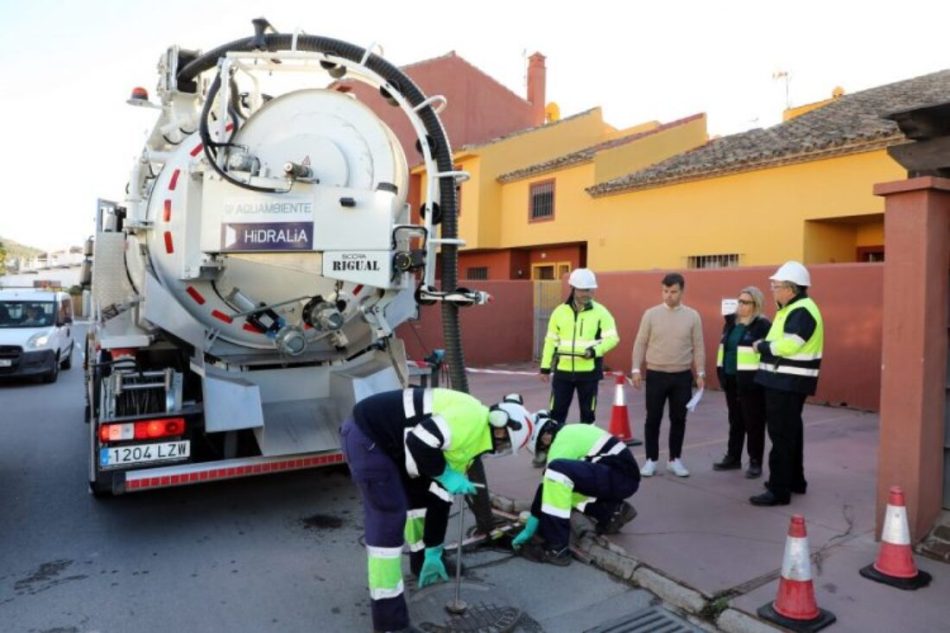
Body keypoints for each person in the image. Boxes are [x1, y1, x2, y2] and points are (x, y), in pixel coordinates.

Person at [340, 388, 531, 633]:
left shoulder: (475, 443)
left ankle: (422, 562)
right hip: (369, 439)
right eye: (504, 444)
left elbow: (441, 497)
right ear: (500, 426)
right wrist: (445, 473)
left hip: (396, 447)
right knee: (388, 520)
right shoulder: (470, 419)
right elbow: (419, 441)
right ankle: (389, 622)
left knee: (420, 501)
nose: (499, 450)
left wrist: (434, 550)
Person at [512, 412, 640, 565]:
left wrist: (532, 524)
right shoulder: (569, 432)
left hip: (619, 475)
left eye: (542, 448)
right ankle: (612, 511)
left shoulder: (561, 441)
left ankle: (557, 548)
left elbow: (546, 485)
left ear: (545, 436)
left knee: (556, 477)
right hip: (620, 476)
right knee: (564, 491)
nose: (545, 452)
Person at [749, 262, 824, 507]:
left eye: (776, 286)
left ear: (790, 289)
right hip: (786, 382)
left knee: (781, 435)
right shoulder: (794, 308)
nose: (772, 289)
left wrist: (763, 347)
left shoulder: (801, 310)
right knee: (791, 432)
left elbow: (791, 343)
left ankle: (779, 489)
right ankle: (794, 480)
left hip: (786, 382)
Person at [538, 268, 619, 464]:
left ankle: (587, 454)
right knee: (556, 415)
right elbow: (550, 340)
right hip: (563, 373)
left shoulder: (601, 312)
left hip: (589, 374)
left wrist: (595, 351)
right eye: (583, 290)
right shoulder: (560, 312)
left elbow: (613, 338)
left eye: (591, 290)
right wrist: (545, 367)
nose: (588, 293)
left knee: (588, 416)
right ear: (573, 289)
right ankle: (550, 454)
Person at [630, 273, 705, 478]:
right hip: (655, 374)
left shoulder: (693, 316)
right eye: (665, 291)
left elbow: (698, 345)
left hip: (681, 376)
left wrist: (700, 373)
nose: (668, 296)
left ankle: (674, 459)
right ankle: (650, 460)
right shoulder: (650, 314)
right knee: (652, 418)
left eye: (673, 292)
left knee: (679, 419)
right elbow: (640, 342)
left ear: (682, 291)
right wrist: (636, 369)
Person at [713, 287, 771, 478]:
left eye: (746, 302)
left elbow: (766, 354)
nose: (741, 305)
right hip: (730, 378)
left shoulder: (762, 325)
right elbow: (725, 348)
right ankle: (733, 457)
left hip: (751, 382)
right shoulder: (731, 324)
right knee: (735, 420)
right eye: (740, 301)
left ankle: (755, 461)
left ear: (756, 305)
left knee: (753, 422)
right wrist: (721, 372)